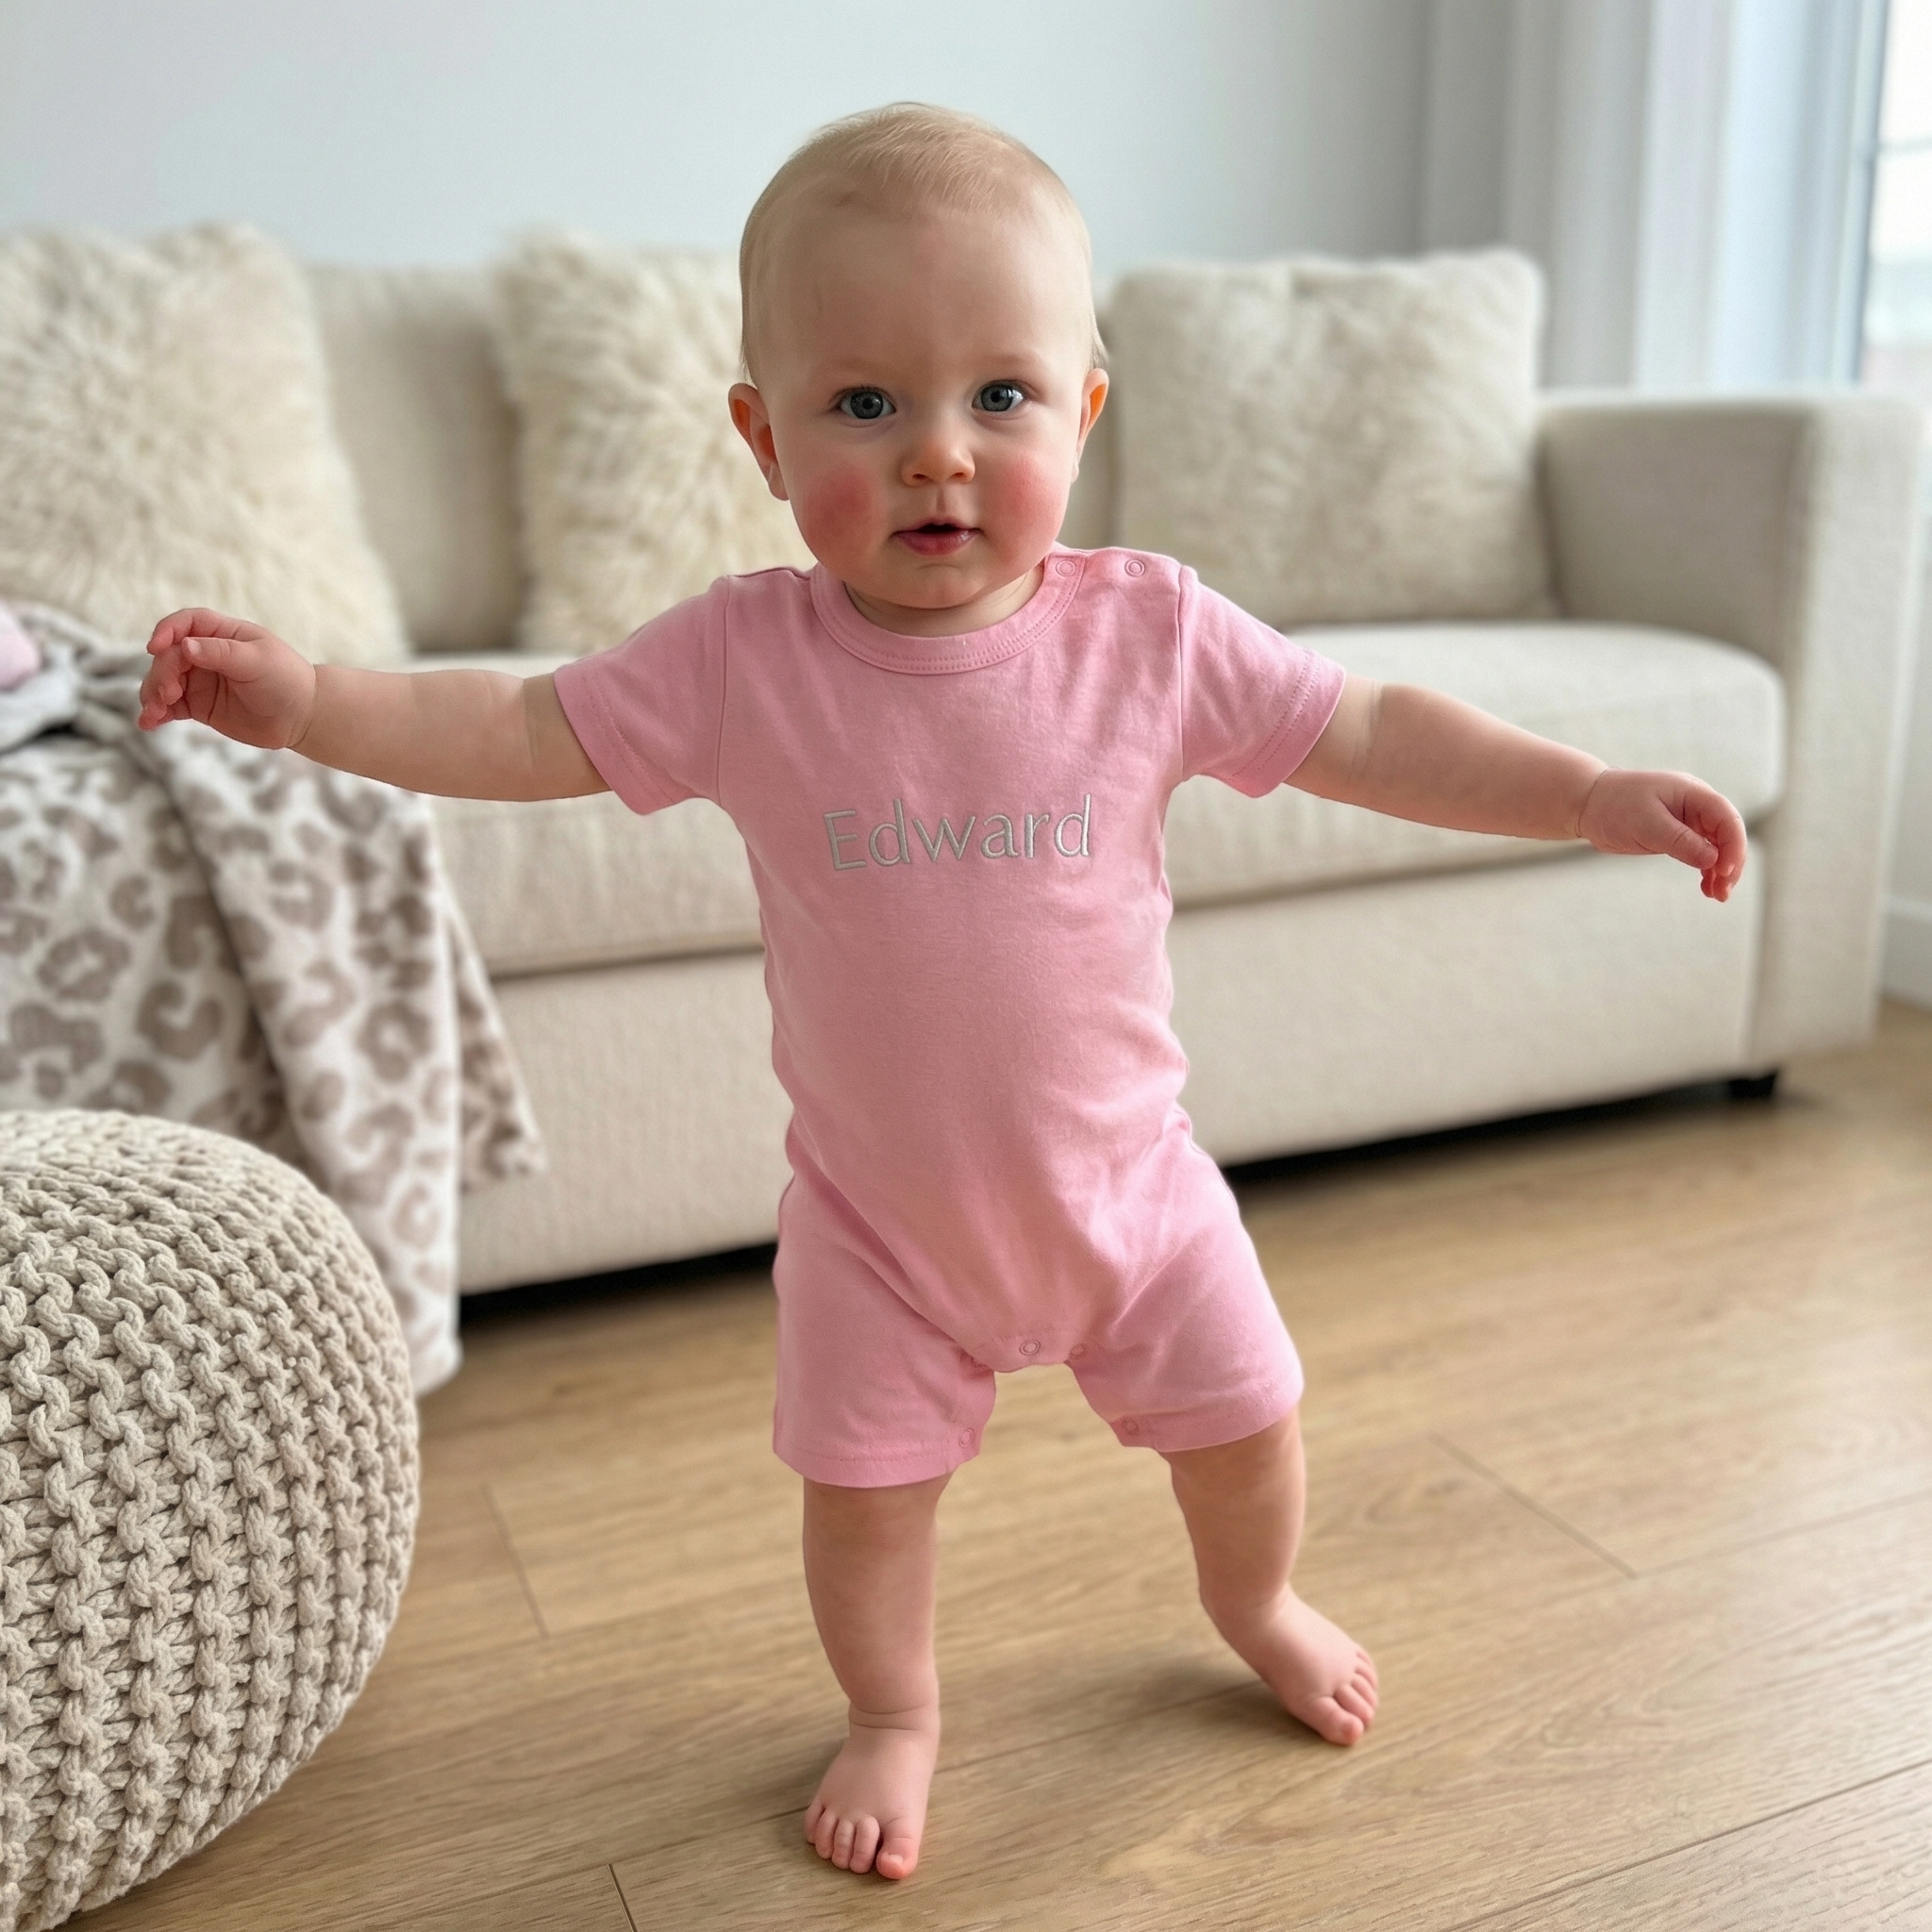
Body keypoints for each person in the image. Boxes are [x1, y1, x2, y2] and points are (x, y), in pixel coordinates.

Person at [137, 103, 1747, 1885]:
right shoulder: (742, 661)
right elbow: (517, 727)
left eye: (1000, 397)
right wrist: (313, 706)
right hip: (880, 1234)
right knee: (867, 1509)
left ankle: (1263, 1604)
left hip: (1133, 1199)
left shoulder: (1152, 635)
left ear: (1086, 411)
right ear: (760, 436)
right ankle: (895, 1713)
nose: (937, 458)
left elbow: (1367, 730)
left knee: (1249, 1432)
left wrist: (1583, 791)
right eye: (864, 405)